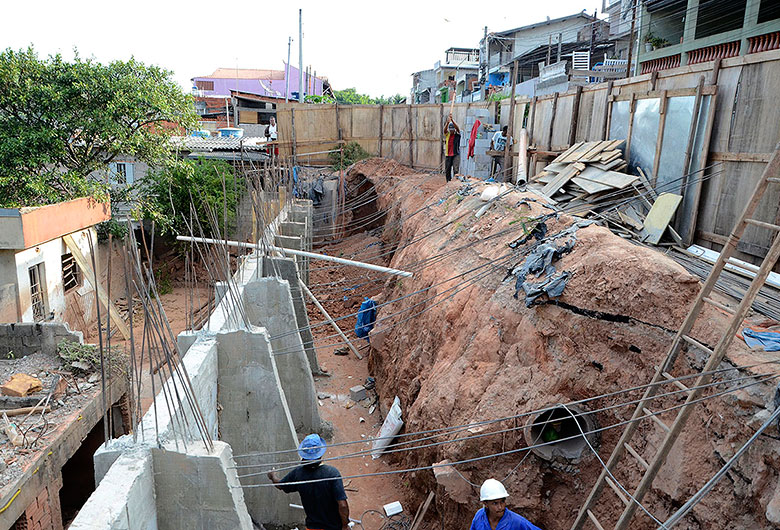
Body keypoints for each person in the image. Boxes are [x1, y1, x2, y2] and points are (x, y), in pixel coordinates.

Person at [268, 434, 350, 530]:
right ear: (320, 452)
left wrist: (272, 476)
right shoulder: (332, 473)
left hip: (312, 528)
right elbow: (343, 505)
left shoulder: (298, 474)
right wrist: (345, 525)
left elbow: (281, 485)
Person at [469, 479, 541, 530]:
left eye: (502, 501)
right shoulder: (479, 517)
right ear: (486, 504)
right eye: (495, 503)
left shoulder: (516, 521)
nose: (500, 507)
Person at [443, 113, 461, 182]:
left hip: (455, 154)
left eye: (452, 130)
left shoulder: (457, 134)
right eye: (450, 130)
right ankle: (448, 182)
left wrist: (452, 120)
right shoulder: (447, 134)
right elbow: (444, 130)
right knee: (447, 170)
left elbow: (458, 128)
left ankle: (455, 182)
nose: (451, 131)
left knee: (456, 170)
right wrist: (447, 123)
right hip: (448, 154)